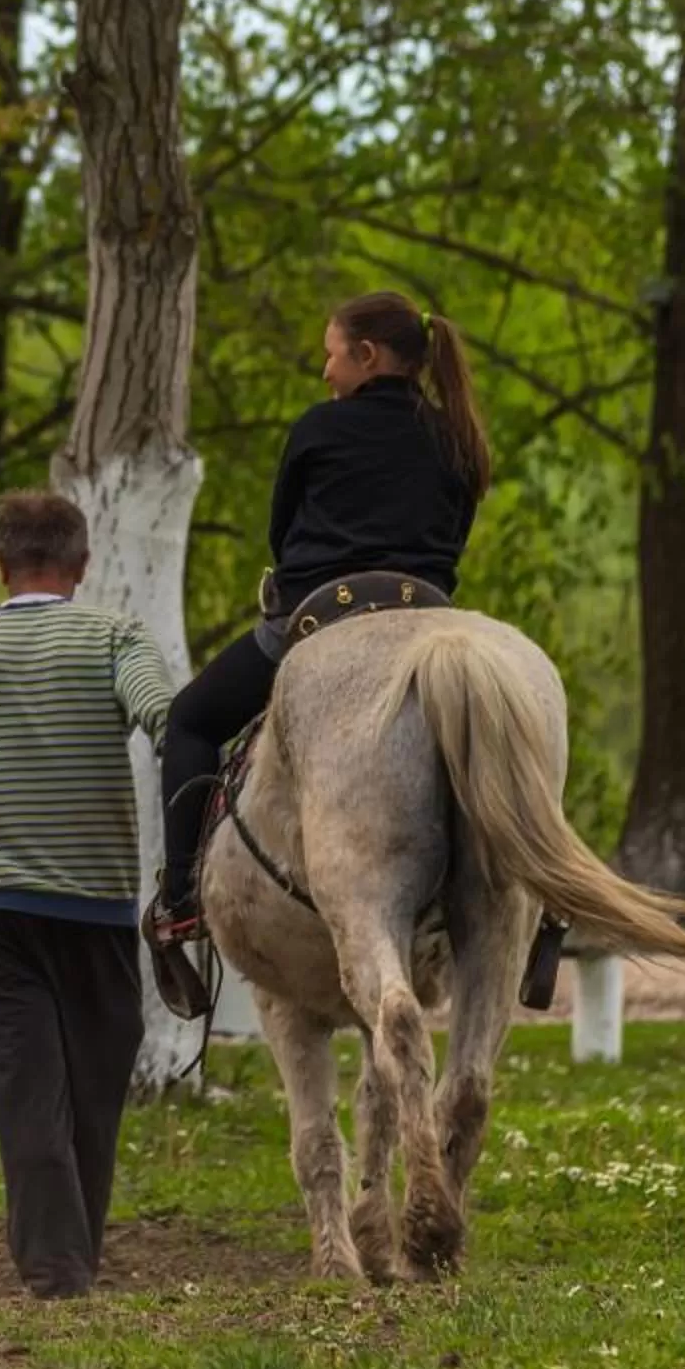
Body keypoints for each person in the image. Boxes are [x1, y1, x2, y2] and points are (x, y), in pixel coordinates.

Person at [0, 491, 178, 1300]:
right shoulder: (116, 636)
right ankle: (64, 1269)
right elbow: (165, 715)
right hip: (95, 916)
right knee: (91, 1099)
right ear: (82, 565)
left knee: (27, 1097)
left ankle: (62, 1266)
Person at [147, 291, 492, 958]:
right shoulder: (459, 436)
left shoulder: (319, 428)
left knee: (189, 719)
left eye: (332, 356)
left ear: (366, 356)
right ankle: (536, 909)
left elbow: (283, 533)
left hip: (319, 622)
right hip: (426, 628)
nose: (326, 373)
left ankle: (181, 902)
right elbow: (455, 544)